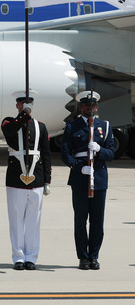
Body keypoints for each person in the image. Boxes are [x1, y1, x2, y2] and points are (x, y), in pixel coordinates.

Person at [61, 91, 114, 270]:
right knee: (80, 220)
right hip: (80, 177)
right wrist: (78, 167)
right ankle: (83, 257)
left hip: (99, 177)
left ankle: (94, 256)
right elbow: (65, 154)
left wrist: (99, 149)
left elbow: (111, 153)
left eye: (92, 106)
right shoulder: (72, 126)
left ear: (96, 107)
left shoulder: (104, 126)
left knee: (97, 221)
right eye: (85, 105)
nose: (89, 108)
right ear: (81, 107)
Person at [1, 90, 51, 271]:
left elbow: (45, 154)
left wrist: (47, 180)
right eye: (22, 104)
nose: (26, 107)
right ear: (17, 105)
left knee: (33, 220)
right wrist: (23, 115)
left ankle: (31, 257)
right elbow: (10, 131)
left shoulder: (41, 126)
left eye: (28, 104)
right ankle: (18, 257)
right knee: (16, 220)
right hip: (16, 178)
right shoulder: (9, 122)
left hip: (36, 177)